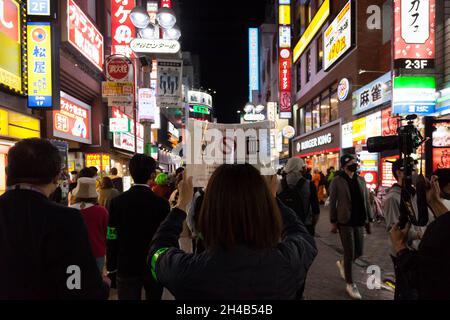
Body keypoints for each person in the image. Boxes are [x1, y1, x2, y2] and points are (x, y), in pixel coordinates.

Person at [149, 164, 317, 300]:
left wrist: (181, 206)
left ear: (209, 211)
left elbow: (157, 252)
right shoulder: (287, 263)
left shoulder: (187, 272)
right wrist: (272, 199)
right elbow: (302, 236)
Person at [0, 139, 108, 299]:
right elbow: (77, 282)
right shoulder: (66, 219)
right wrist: (103, 286)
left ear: (8, 172)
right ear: (56, 176)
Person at [106, 154, 170, 300]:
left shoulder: (117, 202)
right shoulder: (162, 204)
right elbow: (165, 238)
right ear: (152, 175)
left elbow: (111, 235)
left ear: (131, 173)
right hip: (154, 265)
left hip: (126, 264)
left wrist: (111, 265)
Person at [390, 176, 450, 300]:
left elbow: (420, 276)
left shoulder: (436, 234)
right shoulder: (393, 197)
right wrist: (434, 201)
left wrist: (400, 248)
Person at [328, 154, 373, 300]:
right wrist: (333, 221)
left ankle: (342, 264)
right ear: (344, 165)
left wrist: (369, 220)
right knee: (349, 252)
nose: (355, 164)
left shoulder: (360, 179)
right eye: (352, 162)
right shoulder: (337, 180)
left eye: (356, 162)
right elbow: (333, 201)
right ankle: (350, 283)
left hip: (360, 220)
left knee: (358, 252)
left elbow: (366, 200)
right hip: (345, 221)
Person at [382, 159, 424, 300]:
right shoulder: (392, 198)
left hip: (415, 249)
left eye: (416, 169)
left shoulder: (412, 192)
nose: (416, 173)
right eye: (412, 169)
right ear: (400, 173)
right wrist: (419, 234)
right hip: (401, 251)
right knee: (405, 290)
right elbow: (394, 229)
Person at [70, 177, 109, 273]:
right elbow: (106, 232)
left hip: (74, 251)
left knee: (77, 283)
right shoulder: (101, 211)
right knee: (96, 282)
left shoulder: (69, 210)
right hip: (97, 251)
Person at [278, 157, 320, 236]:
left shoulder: (278, 184)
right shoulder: (309, 184)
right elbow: (315, 209)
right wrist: (312, 224)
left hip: (284, 226)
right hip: (305, 224)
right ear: (300, 167)